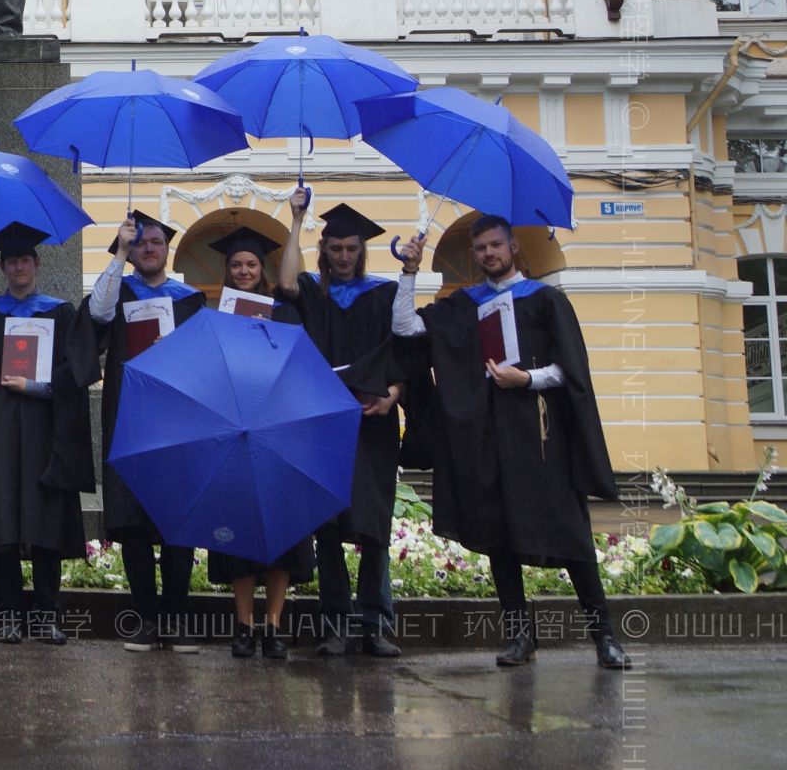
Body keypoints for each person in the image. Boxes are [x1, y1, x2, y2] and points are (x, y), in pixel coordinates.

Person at [392, 216, 630, 670]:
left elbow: (571, 370)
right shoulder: (464, 305)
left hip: (540, 436)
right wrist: (409, 271)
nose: (488, 254)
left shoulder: (546, 301)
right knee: (499, 536)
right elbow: (406, 329)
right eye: (479, 248)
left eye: (495, 245)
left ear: (514, 247)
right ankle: (520, 636)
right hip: (486, 435)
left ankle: (605, 637)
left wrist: (526, 378)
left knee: (570, 533)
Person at [0, 222, 98, 645]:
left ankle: (47, 612)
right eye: (11, 262)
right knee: (4, 519)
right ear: (2, 267)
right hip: (3, 432)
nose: (19, 267)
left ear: (37, 263)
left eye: (25, 260)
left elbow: (74, 375)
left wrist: (36, 387)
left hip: (48, 432)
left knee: (47, 521)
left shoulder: (60, 313)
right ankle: (8, 612)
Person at [275, 193, 406, 658]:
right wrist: (295, 218)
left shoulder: (385, 294)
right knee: (327, 525)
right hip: (322, 423)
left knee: (373, 524)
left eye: (351, 249)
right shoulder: (314, 292)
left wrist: (395, 393)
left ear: (361, 250)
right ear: (324, 250)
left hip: (372, 423)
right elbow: (286, 280)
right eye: (336, 249)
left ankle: (374, 624)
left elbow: (404, 351)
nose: (344, 257)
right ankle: (334, 624)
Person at [87, 211, 205, 653]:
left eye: (156, 242)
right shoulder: (118, 294)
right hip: (129, 417)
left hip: (178, 421)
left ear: (167, 248)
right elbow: (96, 316)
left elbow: (205, 361)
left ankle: (174, 618)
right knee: (132, 522)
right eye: (141, 244)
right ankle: (145, 618)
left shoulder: (190, 300)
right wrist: (118, 249)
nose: (149, 248)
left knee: (176, 521)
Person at [203, 225, 313, 659]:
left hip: (278, 433)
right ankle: (244, 626)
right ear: (227, 271)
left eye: (251, 264)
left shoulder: (285, 312)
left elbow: (299, 367)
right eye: (236, 264)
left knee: (281, 535)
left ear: (262, 268)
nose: (244, 270)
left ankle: (273, 627)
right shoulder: (215, 317)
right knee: (238, 533)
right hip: (233, 432)